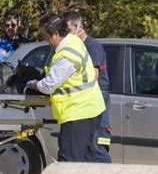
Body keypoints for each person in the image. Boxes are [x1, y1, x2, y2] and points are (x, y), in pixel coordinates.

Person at [27, 13, 105, 162]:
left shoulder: (66, 55)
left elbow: (49, 85)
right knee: (86, 158)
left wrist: (33, 84)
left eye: (45, 36)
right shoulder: (74, 41)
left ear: (55, 34)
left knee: (69, 159)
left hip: (78, 111)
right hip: (91, 108)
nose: (45, 40)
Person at [64, 11, 112, 163]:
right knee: (86, 146)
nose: (66, 35)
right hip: (87, 98)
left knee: (98, 144)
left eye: (68, 30)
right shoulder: (76, 47)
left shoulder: (92, 46)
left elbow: (94, 76)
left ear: (80, 27)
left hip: (96, 95)